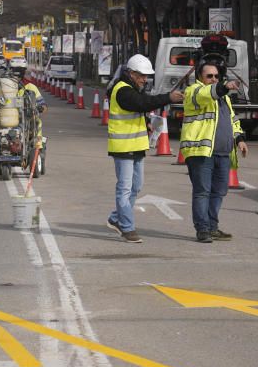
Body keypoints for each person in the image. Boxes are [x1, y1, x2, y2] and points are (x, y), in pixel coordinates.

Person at [106, 54, 184, 243]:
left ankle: (116, 218)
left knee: (136, 186)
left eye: (146, 76)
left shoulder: (132, 88)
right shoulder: (122, 90)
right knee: (124, 189)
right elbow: (141, 103)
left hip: (137, 146)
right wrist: (168, 97)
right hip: (123, 147)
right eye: (141, 75)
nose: (145, 79)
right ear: (131, 73)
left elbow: (138, 108)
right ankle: (127, 228)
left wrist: (148, 121)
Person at [181, 63, 248, 243]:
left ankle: (212, 226)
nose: (214, 79)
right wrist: (224, 86)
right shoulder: (194, 92)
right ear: (200, 78)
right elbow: (206, 94)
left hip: (222, 153)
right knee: (202, 191)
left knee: (219, 191)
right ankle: (202, 230)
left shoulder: (223, 99)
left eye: (216, 76)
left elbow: (232, 120)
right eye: (209, 76)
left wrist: (239, 139)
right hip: (201, 152)